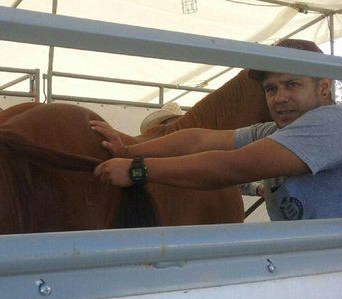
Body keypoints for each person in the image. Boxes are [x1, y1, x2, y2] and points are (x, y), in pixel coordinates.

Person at [91, 39, 339, 221]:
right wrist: (130, 149)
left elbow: (233, 167)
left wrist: (137, 170)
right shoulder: (272, 131)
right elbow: (199, 140)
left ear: (324, 87)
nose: (279, 98)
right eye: (271, 89)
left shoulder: (331, 124)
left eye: (292, 84)